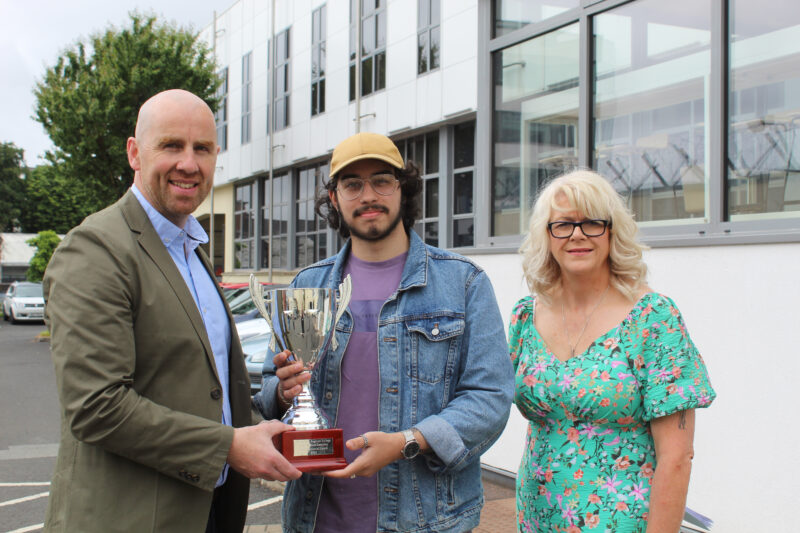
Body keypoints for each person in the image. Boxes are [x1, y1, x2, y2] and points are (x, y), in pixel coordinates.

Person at [42, 89, 301, 533]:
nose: (188, 163)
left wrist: (276, 400)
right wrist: (227, 447)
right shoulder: (94, 250)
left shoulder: (192, 251)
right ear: (134, 153)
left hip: (211, 512)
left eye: (202, 148)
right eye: (171, 145)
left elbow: (204, 392)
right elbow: (96, 406)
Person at [253, 132, 514, 533]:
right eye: (352, 185)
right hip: (315, 518)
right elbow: (272, 387)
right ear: (335, 198)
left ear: (403, 189)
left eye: (381, 181)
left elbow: (490, 397)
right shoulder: (309, 285)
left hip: (427, 521)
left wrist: (408, 441)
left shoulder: (463, 283)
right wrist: (286, 392)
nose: (368, 195)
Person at [509, 170, 716, 533]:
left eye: (592, 223)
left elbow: (677, 457)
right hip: (537, 518)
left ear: (612, 232)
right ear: (546, 235)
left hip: (622, 521)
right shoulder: (525, 317)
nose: (577, 234)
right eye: (563, 224)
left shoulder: (652, 318)